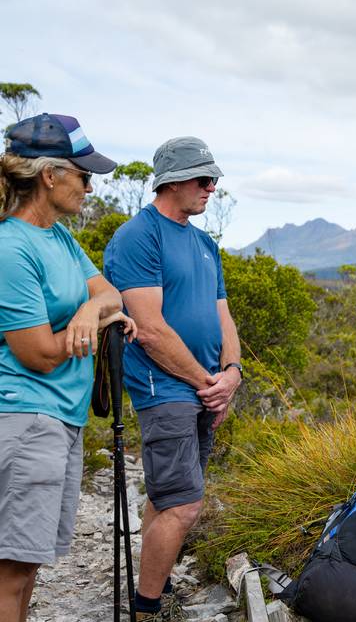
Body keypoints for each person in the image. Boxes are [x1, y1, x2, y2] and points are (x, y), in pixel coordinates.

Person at [0, 114, 135, 622]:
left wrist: (87, 311)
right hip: (26, 419)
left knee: (27, 563)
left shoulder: (57, 238)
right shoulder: (11, 248)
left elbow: (108, 292)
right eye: (84, 175)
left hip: (60, 420)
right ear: (50, 176)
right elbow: (36, 352)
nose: (90, 185)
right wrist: (96, 323)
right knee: (10, 570)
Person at [103, 137, 242, 621]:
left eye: (214, 181)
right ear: (173, 180)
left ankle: (149, 587)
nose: (212, 189)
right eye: (204, 180)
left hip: (203, 387)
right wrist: (208, 381)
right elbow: (150, 329)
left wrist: (232, 374)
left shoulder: (205, 243)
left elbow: (224, 318)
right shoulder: (139, 236)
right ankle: (147, 607)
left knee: (169, 497)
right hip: (164, 388)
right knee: (184, 504)